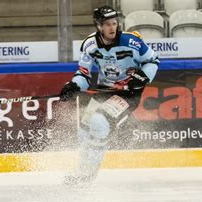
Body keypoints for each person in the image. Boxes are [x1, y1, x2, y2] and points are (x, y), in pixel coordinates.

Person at [59, 5, 159, 185]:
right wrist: (73, 85)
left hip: (127, 94)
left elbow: (153, 61)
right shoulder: (89, 45)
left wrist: (142, 78)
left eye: (114, 23)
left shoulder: (132, 41)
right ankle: (81, 171)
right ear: (98, 26)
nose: (112, 27)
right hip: (104, 91)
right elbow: (83, 74)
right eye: (107, 24)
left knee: (99, 123)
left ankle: (88, 175)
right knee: (84, 129)